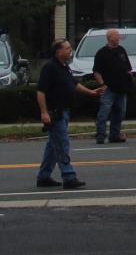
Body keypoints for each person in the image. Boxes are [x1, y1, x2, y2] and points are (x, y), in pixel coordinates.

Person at [35, 39, 100, 189]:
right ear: (58, 51)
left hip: (64, 111)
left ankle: (43, 176)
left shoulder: (64, 67)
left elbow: (74, 84)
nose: (70, 51)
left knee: (53, 146)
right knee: (62, 144)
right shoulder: (50, 67)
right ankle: (68, 176)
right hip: (55, 112)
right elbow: (40, 92)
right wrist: (44, 112)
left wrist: (90, 92)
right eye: (67, 48)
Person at [92, 28, 133, 144]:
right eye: (116, 36)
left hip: (122, 87)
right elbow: (96, 71)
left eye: (118, 36)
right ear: (109, 38)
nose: (118, 38)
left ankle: (114, 135)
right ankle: (100, 136)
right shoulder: (101, 53)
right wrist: (102, 84)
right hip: (108, 88)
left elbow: (128, 67)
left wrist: (129, 78)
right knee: (104, 113)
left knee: (120, 113)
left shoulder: (121, 50)